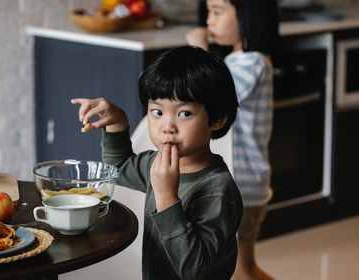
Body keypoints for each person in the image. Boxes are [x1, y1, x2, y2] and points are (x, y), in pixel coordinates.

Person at [71, 46, 243, 280]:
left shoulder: (218, 191)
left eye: (184, 113)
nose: (167, 126)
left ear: (217, 119)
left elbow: (195, 270)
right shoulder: (157, 163)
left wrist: (166, 197)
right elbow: (119, 170)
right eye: (157, 112)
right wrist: (117, 124)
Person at [186, 1, 279, 280]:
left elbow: (211, 95)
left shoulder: (252, 63)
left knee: (240, 272)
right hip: (245, 186)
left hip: (242, 186)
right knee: (244, 269)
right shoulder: (238, 61)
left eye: (217, 11)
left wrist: (199, 52)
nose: (208, 20)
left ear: (248, 16)